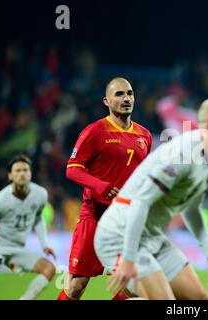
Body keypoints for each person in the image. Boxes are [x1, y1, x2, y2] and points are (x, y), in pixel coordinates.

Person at [94, 97, 208, 299]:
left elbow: (191, 209)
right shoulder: (182, 154)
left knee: (200, 299)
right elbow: (140, 202)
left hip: (152, 238)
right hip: (120, 235)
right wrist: (128, 257)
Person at [57, 77, 152, 300]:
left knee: (132, 287)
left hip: (125, 220)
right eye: (119, 94)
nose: (126, 98)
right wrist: (101, 186)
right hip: (96, 216)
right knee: (76, 286)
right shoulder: (94, 132)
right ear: (106, 101)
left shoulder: (144, 135)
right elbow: (72, 169)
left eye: (129, 93)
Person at [0, 154, 56, 299]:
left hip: (18, 249)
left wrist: (44, 244)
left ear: (31, 173)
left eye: (25, 170)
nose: (22, 174)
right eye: (17, 171)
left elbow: (38, 218)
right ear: (10, 176)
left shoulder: (40, 194)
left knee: (49, 268)